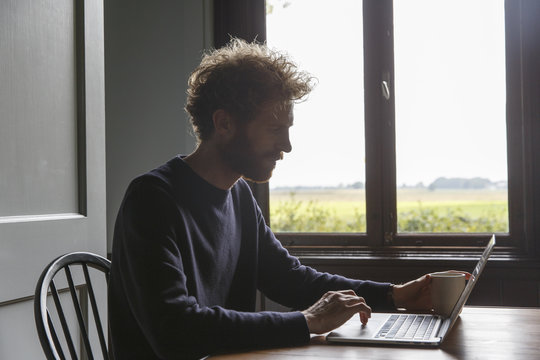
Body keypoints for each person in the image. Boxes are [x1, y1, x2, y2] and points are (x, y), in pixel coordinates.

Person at [108, 38, 433, 360]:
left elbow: (288, 278)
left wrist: (393, 295)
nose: (287, 146)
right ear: (224, 123)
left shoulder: (239, 196)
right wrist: (307, 321)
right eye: (275, 129)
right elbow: (175, 331)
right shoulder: (151, 199)